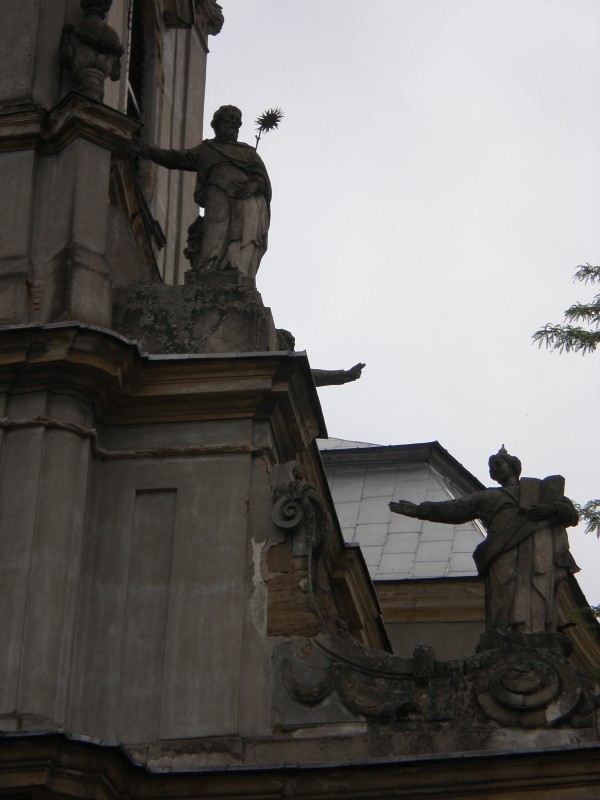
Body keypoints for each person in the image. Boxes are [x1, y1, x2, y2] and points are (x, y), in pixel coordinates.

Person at [389, 447, 579, 635]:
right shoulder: (489, 496)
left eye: (498, 464)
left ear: (513, 466)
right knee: (503, 591)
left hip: (535, 549)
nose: (494, 469)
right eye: (491, 467)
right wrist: (420, 510)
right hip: (500, 550)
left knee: (533, 589)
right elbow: (455, 508)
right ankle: (502, 632)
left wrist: (550, 510)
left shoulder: (537, 490)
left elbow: (571, 514)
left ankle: (535, 630)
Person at [134, 105, 271, 278]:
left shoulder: (248, 153)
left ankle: (236, 266)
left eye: (236, 124)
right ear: (217, 124)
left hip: (244, 197)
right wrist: (148, 152)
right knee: (216, 225)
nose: (233, 126)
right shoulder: (208, 149)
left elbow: (261, 177)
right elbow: (176, 158)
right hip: (218, 191)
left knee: (244, 233)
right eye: (229, 122)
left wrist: (255, 185)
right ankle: (208, 265)